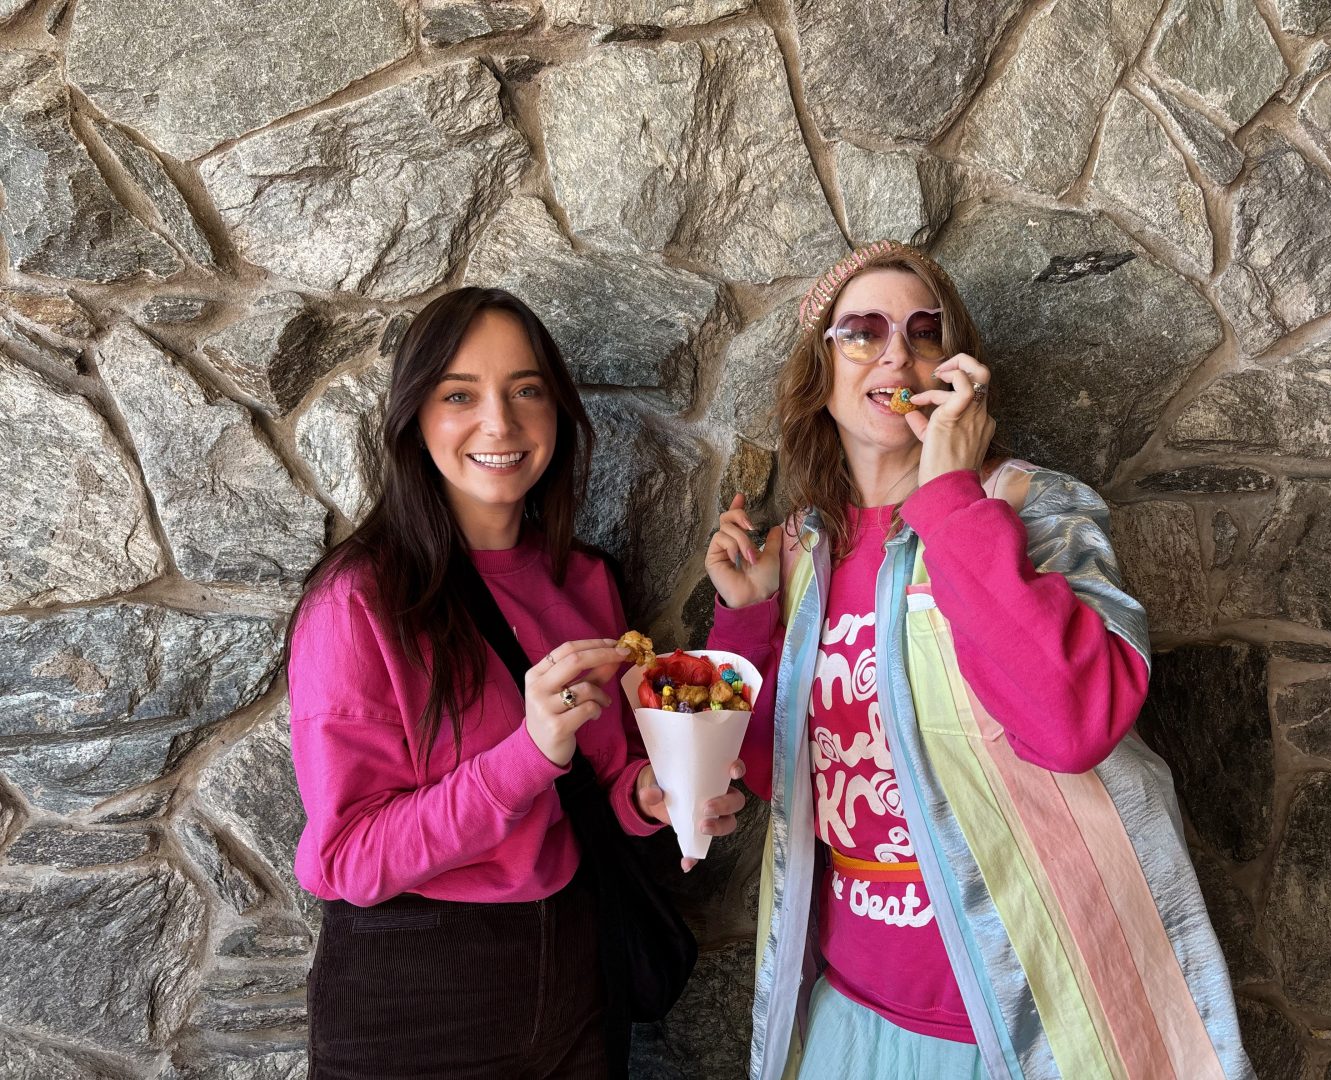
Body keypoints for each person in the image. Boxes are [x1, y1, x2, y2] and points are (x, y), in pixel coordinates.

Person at [704, 241, 1254, 1080]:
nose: (897, 354)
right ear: (820, 372)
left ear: (957, 369)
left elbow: (1075, 724)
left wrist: (949, 501)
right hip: (852, 1012)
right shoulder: (803, 548)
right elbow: (781, 776)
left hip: (1038, 1024)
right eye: (863, 332)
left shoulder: (1038, 507)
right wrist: (745, 616)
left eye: (924, 332)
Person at [286, 287, 745, 1079]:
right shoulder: (358, 601)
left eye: (526, 390)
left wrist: (651, 798)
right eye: (459, 395)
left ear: (557, 412)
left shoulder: (586, 580)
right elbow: (346, 860)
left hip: (576, 966)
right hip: (418, 986)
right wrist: (527, 753)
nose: (499, 423)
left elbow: (598, 788)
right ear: (414, 419)